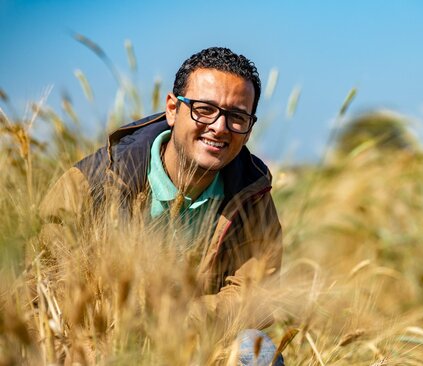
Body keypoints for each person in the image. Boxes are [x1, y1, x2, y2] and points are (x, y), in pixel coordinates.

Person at [38, 47, 284, 365]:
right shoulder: (91, 182)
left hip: (198, 346)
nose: (220, 127)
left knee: (257, 350)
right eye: (204, 109)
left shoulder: (252, 194)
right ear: (172, 108)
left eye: (237, 117)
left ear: (249, 128)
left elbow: (255, 295)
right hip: (94, 345)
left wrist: (172, 321)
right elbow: (45, 283)